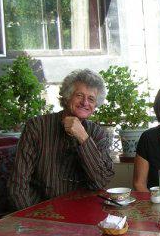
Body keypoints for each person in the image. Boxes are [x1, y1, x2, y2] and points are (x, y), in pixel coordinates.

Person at [8, 69, 114, 210]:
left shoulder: (98, 134)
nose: (85, 102)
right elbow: (18, 183)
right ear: (67, 96)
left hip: (84, 212)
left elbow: (101, 181)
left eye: (91, 99)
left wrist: (83, 138)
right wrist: (31, 217)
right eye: (79, 95)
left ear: (95, 105)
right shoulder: (37, 127)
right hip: (40, 212)